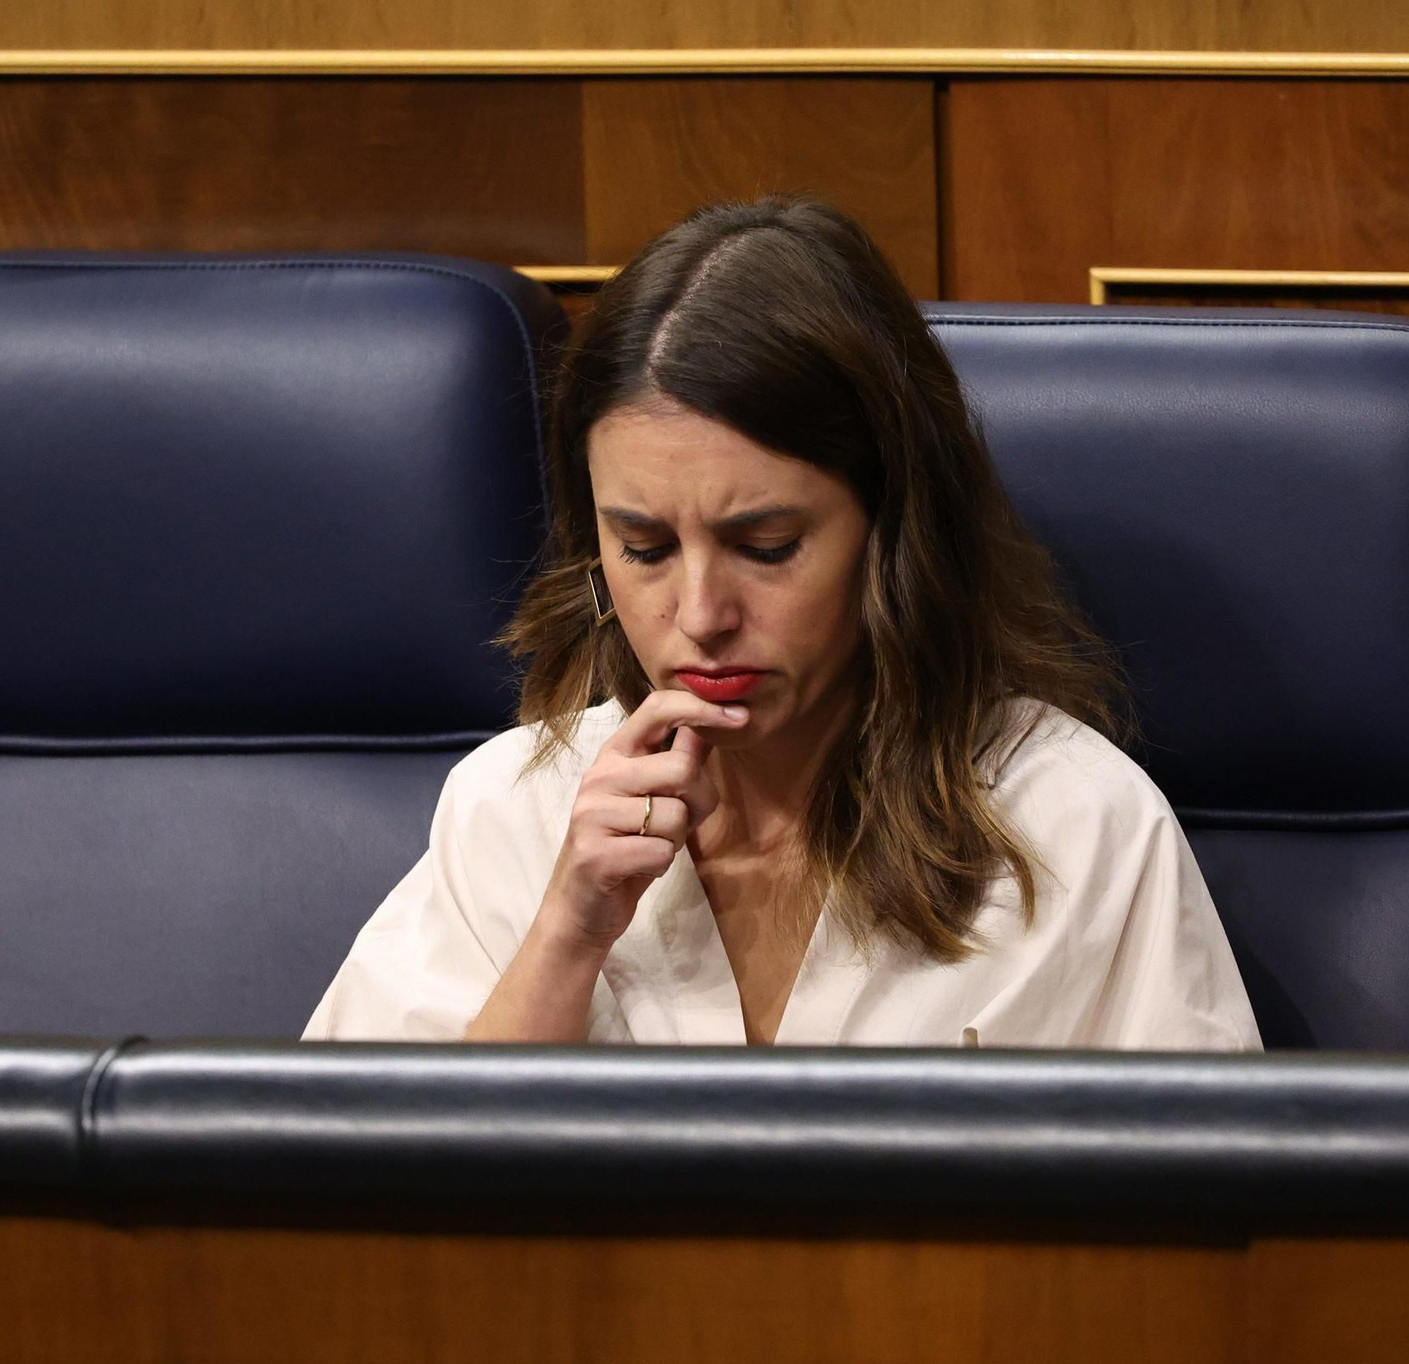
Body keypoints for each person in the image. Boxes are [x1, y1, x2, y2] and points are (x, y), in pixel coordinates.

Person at [302, 192, 1261, 1050]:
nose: (702, 617)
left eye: (765, 547)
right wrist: (566, 936)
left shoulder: (1076, 827)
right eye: (643, 549)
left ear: (893, 532)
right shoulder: (513, 809)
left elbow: (1208, 1215)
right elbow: (356, 1208)